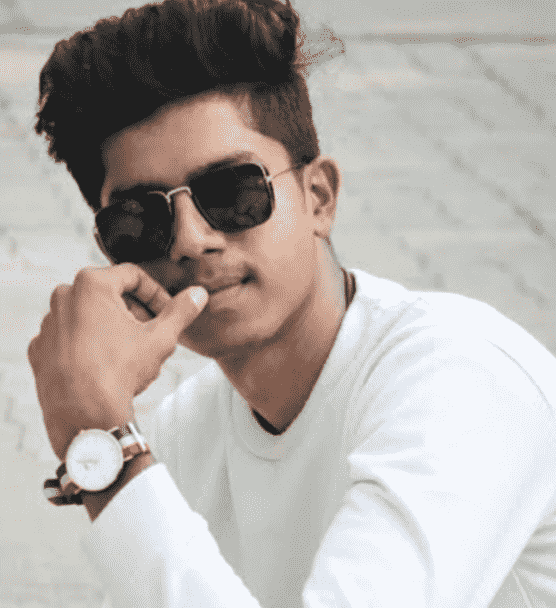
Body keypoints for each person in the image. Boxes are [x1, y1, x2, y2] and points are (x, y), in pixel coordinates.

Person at [27, 0, 556, 606]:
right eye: (140, 219)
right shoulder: (183, 437)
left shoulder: (464, 380)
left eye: (232, 190)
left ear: (319, 198)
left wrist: (104, 450)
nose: (191, 238)